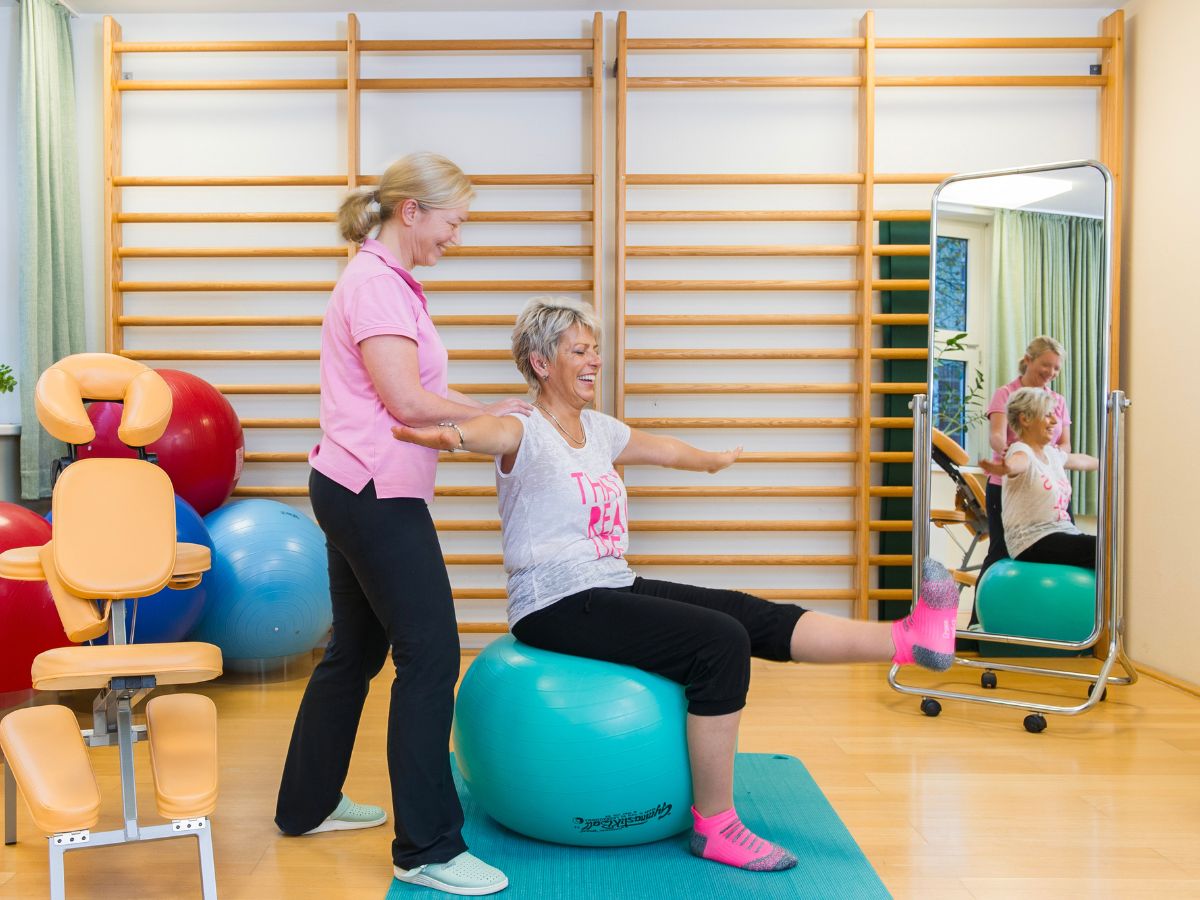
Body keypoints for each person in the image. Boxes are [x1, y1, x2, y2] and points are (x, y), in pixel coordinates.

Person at [392, 296, 959, 873]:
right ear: (541, 362)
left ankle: (913, 640)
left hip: (611, 583)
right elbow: (490, 433)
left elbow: (662, 450)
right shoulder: (525, 428)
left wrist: (711, 460)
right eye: (579, 351)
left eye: (596, 351)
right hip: (554, 602)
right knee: (719, 641)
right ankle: (716, 825)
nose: (594, 362)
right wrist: (455, 437)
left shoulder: (598, 429)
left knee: (746, 614)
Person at [274, 152, 528, 896]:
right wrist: (490, 413)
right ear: (411, 211)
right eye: (454, 222)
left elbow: (414, 399)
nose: (457, 237)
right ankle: (427, 850)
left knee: (353, 652)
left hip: (355, 482)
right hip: (371, 492)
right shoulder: (378, 285)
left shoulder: (385, 281)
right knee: (430, 655)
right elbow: (408, 401)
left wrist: (476, 414)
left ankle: (306, 805)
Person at [979, 336, 1072, 577]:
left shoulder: (1057, 401)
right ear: (1028, 360)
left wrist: (1054, 458)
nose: (1051, 372)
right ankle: (977, 616)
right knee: (999, 552)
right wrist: (1013, 457)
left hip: (1049, 489)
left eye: (1056, 368)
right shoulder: (1006, 393)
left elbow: (1065, 443)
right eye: (1046, 365)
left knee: (1066, 548)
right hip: (1010, 486)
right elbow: (997, 435)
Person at [978, 387, 1098, 569]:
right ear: (1025, 419)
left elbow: (1080, 461)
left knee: (1109, 546)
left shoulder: (1051, 453)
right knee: (1103, 549)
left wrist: (1108, 462)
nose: (1054, 421)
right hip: (1031, 540)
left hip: (1062, 532)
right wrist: (1005, 467)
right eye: (1047, 415)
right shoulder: (1021, 451)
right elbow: (1018, 463)